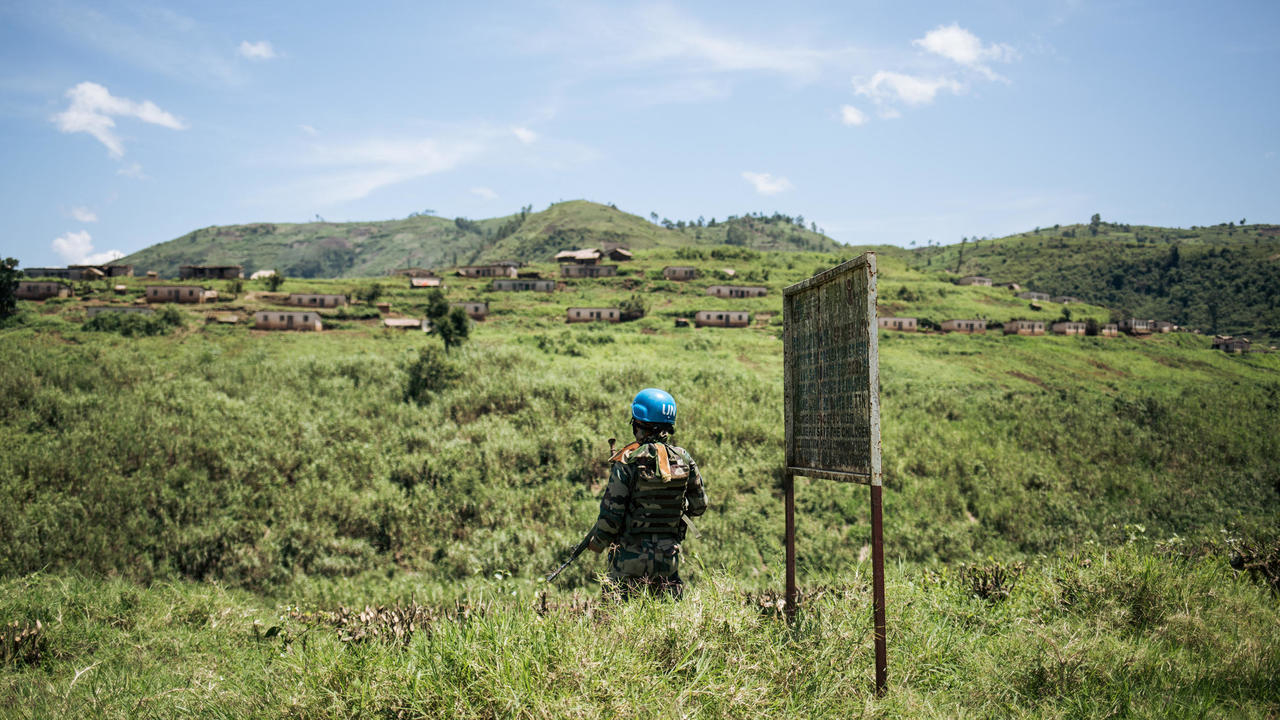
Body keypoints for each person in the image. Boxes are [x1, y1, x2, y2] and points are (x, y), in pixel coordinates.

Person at [588, 388, 708, 599]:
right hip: (668, 556)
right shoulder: (684, 459)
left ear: (639, 425)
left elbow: (611, 516)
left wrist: (597, 543)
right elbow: (700, 506)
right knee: (668, 620)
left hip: (628, 558)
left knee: (617, 621)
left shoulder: (627, 461)